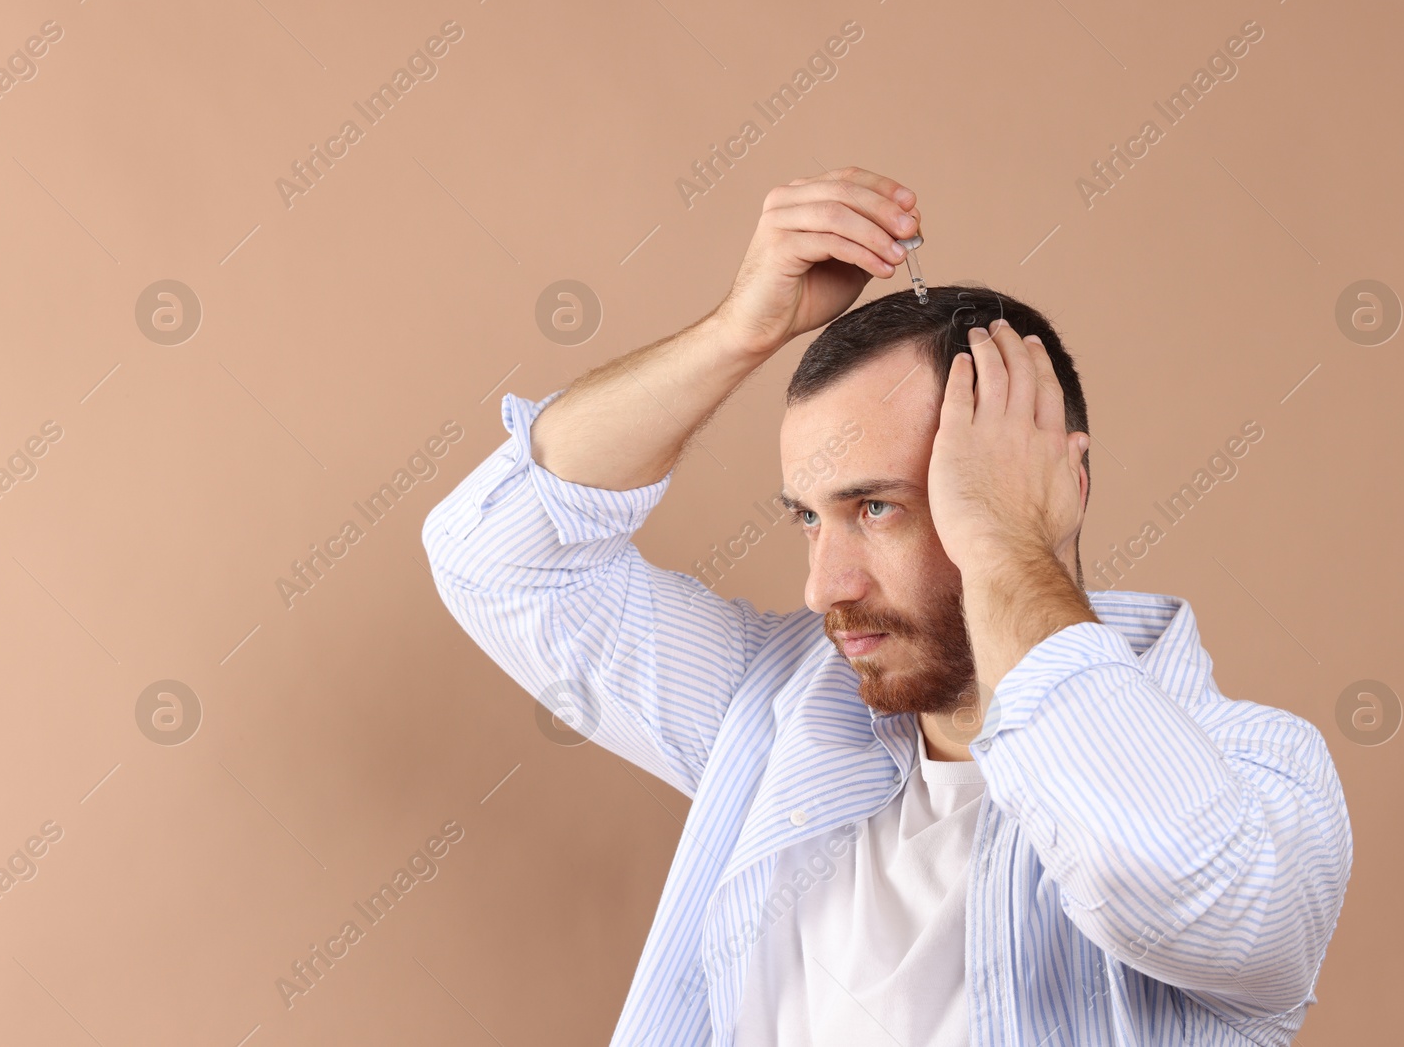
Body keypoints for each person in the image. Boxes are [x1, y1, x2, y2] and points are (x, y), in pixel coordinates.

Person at [422, 166, 1352, 1046]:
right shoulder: (781, 714)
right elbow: (502, 560)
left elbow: (1170, 877)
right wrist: (737, 333)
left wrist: (1007, 547)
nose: (825, 586)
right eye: (809, 520)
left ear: (1054, 485)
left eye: (879, 507)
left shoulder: (1263, 780)